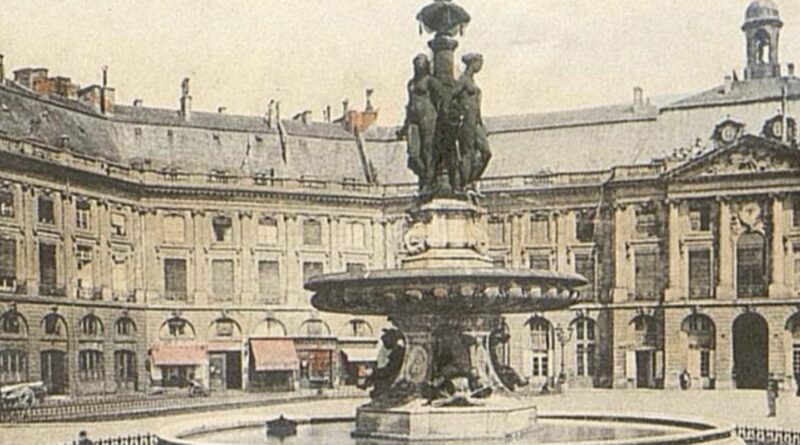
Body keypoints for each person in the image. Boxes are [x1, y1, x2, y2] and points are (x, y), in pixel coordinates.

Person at [398, 54, 441, 194]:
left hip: (428, 118)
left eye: (421, 63)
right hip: (413, 120)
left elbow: (441, 99)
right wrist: (404, 127)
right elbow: (408, 104)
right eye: (416, 63)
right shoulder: (411, 83)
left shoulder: (430, 81)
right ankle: (425, 177)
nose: (418, 66)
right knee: (413, 154)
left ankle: (428, 182)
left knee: (427, 150)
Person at [451, 53, 491, 194]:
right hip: (466, 121)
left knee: (486, 153)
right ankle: (465, 184)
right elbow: (451, 97)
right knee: (468, 153)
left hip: (476, 122)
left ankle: (471, 179)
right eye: (479, 62)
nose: (480, 66)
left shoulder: (472, 82)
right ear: (472, 63)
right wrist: (458, 115)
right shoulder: (463, 80)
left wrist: (481, 124)